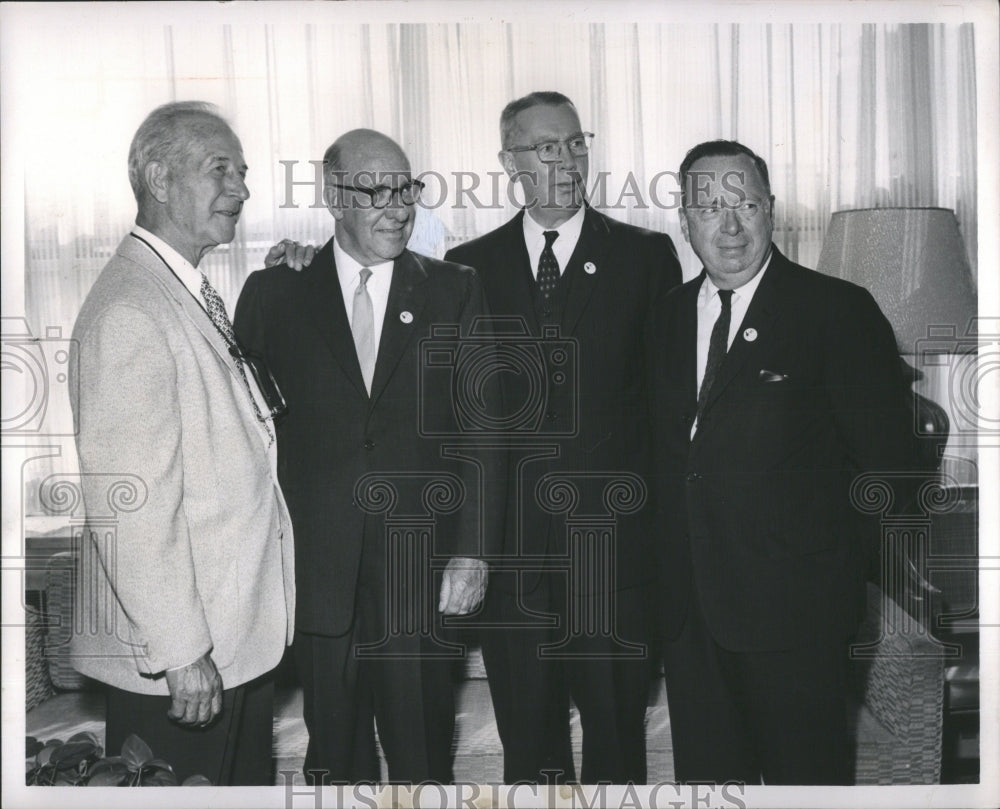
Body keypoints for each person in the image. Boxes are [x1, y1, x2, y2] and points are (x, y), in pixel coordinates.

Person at [233, 129, 504, 784]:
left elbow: (484, 430)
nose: (397, 206)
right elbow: (238, 428)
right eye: (374, 190)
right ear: (333, 196)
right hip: (316, 571)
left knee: (422, 754)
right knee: (332, 754)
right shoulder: (276, 293)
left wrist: (473, 550)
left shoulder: (454, 289)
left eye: (406, 188)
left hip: (421, 569)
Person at [648, 140, 916, 784]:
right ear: (684, 221)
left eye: (744, 203)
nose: (729, 225)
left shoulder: (837, 310)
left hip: (799, 622)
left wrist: (829, 583)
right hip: (693, 621)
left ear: (772, 211)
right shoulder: (661, 319)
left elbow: (891, 471)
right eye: (709, 208)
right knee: (711, 792)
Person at [444, 92, 682, 785]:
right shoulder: (466, 266)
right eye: (547, 146)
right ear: (508, 162)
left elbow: (668, 407)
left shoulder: (645, 256)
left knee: (615, 739)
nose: (568, 158)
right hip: (510, 558)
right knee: (530, 745)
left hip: (612, 552)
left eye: (577, 142)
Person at [69, 101, 295, 785]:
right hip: (183, 658)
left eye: (244, 171)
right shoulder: (134, 310)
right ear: (161, 180)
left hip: (227, 640)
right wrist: (180, 650)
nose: (243, 188)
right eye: (219, 169)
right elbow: (132, 503)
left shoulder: (179, 289)